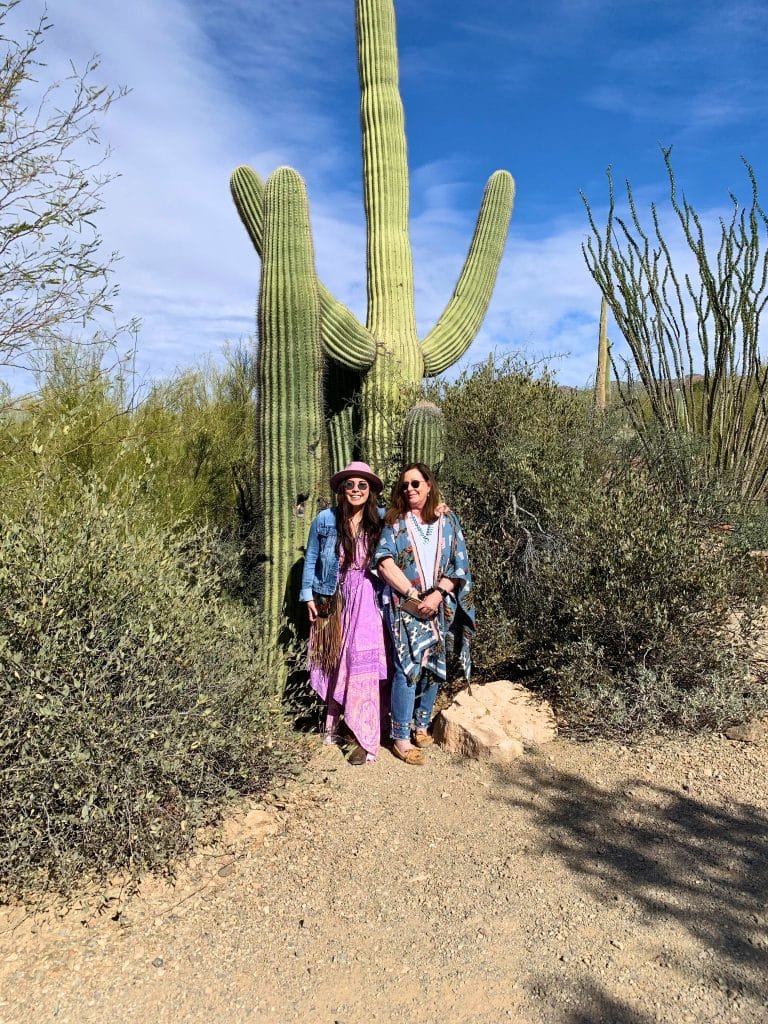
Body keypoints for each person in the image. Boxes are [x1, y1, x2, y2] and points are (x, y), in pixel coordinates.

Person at [374, 463, 475, 765]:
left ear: (429, 486)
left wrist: (438, 594)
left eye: (416, 483)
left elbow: (458, 565)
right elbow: (384, 562)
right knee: (408, 666)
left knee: (433, 664)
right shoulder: (393, 521)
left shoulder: (448, 520)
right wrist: (412, 594)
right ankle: (400, 737)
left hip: (438, 602)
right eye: (404, 485)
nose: (410, 489)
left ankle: (421, 725)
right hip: (405, 603)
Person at [300, 461, 389, 765]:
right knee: (335, 659)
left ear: (370, 490)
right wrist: (308, 595)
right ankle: (335, 725)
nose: (355, 489)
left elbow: (414, 518)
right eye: (349, 484)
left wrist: (439, 508)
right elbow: (311, 558)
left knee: (360, 661)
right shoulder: (325, 519)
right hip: (334, 595)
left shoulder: (381, 519)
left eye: (362, 485)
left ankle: (363, 736)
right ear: (341, 489)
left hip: (368, 596)